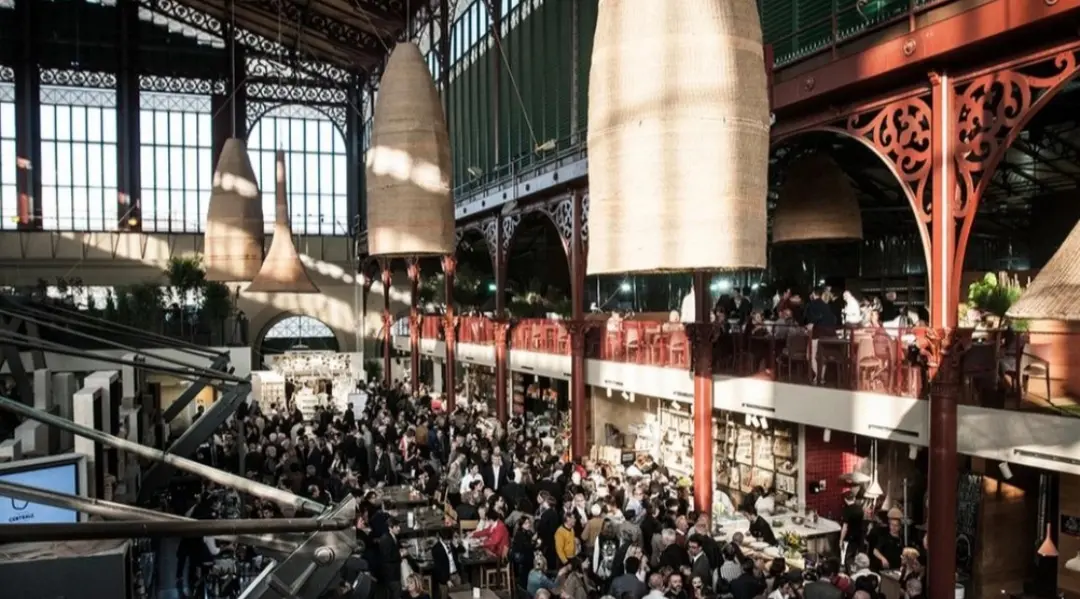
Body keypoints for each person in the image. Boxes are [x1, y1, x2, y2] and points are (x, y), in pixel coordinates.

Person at [377, 519, 405, 599]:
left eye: (399, 526)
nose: (399, 528)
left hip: (392, 573)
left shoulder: (391, 536)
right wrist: (401, 554)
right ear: (390, 528)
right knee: (396, 593)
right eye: (396, 527)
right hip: (391, 574)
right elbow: (387, 557)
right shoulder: (386, 539)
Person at [430, 530, 461, 599]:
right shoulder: (436, 549)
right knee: (444, 596)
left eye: (450, 540)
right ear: (441, 538)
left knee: (458, 596)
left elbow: (463, 550)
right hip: (444, 578)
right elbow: (438, 567)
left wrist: (457, 545)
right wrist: (447, 580)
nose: (449, 542)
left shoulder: (452, 544)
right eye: (447, 540)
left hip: (456, 574)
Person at [840, 489, 865, 565]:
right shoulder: (860, 509)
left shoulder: (847, 510)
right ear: (854, 498)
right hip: (859, 536)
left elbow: (845, 527)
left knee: (846, 557)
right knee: (856, 558)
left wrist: (841, 540)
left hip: (849, 538)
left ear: (845, 499)